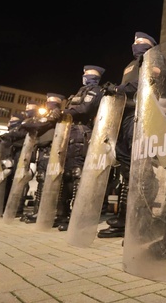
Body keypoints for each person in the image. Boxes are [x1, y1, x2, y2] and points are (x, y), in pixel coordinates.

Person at [98, 32, 158, 239]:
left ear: (151, 45)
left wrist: (119, 88)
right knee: (127, 168)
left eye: (141, 42)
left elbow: (149, 80)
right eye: (135, 42)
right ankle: (124, 218)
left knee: (142, 168)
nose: (136, 45)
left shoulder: (155, 58)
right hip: (126, 115)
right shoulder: (129, 65)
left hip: (144, 115)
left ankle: (143, 218)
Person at [54, 65, 105, 231]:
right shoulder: (78, 92)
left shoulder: (95, 91)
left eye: (87, 73)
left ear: (94, 76)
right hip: (70, 133)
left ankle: (77, 216)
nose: (84, 75)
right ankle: (62, 215)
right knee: (66, 175)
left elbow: (85, 108)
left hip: (82, 133)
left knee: (77, 174)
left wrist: (64, 112)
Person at [21, 93, 64, 223]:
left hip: (51, 149)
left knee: (48, 181)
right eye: (48, 101)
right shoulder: (46, 115)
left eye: (51, 101)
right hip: (43, 150)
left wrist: (32, 124)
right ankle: (37, 211)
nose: (49, 103)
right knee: (41, 180)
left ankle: (46, 211)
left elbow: (40, 125)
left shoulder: (56, 113)